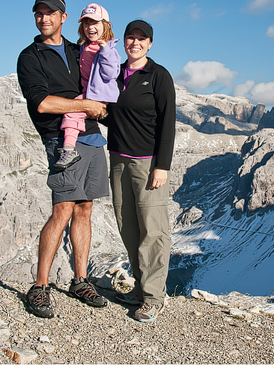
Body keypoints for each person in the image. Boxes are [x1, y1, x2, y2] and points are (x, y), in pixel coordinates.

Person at [16, 0, 110, 318]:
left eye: (50, 13)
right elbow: (42, 103)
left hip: (93, 137)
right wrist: (85, 105)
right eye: (39, 14)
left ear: (63, 17)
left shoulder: (77, 49)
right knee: (63, 209)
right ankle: (40, 285)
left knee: (85, 208)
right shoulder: (31, 56)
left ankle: (79, 280)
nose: (44, 18)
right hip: (60, 139)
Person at [104, 20, 176, 323]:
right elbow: (112, 115)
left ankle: (153, 297)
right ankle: (139, 287)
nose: (135, 43)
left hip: (147, 163)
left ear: (150, 44)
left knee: (153, 230)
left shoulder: (158, 76)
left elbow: (167, 122)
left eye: (141, 39)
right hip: (118, 160)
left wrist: (162, 166)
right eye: (130, 38)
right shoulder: (116, 73)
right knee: (128, 225)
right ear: (123, 42)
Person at [55, 3, 120, 170]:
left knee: (72, 112)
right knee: (75, 111)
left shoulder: (108, 49)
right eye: (86, 23)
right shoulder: (85, 45)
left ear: (106, 25)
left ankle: (69, 149)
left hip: (98, 95)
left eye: (95, 23)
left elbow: (111, 73)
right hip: (88, 92)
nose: (90, 27)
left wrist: (105, 51)